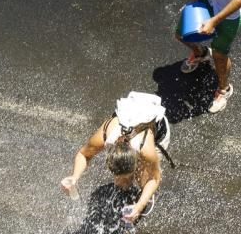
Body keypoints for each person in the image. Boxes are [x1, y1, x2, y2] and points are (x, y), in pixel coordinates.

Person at [61, 92, 172, 224]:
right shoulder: (107, 133)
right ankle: (126, 191)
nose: (117, 180)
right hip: (130, 117)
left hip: (158, 130)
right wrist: (75, 177)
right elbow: (84, 154)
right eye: (116, 176)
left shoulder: (146, 149)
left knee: (144, 180)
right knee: (123, 182)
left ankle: (138, 204)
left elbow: (155, 178)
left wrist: (140, 206)